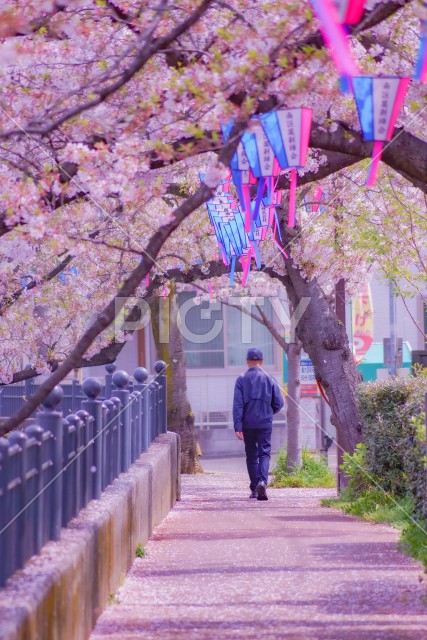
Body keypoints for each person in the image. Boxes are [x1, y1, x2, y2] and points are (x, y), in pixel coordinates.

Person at [233, 347, 284, 500]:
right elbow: (279, 403)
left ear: (247, 361)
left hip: (247, 423)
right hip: (265, 422)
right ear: (261, 361)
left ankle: (255, 489)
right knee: (264, 453)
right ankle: (263, 481)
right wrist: (269, 412)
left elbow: (238, 405)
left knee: (251, 456)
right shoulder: (270, 379)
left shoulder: (241, 379)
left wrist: (238, 426)